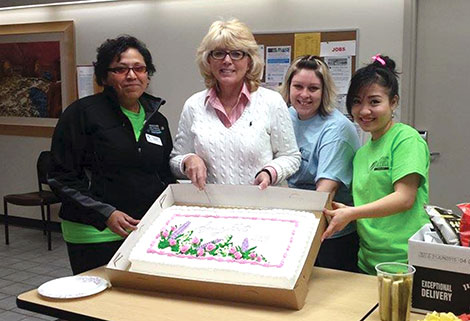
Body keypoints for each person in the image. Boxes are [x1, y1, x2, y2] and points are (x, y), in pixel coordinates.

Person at [48, 35, 175, 274]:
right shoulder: (81, 113)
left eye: (139, 68)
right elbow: (60, 177)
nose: (131, 75)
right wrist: (105, 213)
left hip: (142, 230)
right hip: (93, 232)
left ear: (148, 75)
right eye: (120, 69)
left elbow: (163, 174)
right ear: (105, 77)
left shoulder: (157, 120)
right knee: (98, 303)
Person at [321, 54, 430, 275]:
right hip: (367, 262)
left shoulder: (406, 139)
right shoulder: (361, 153)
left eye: (374, 102)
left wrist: (352, 213)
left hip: (406, 262)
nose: (364, 111)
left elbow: (405, 198)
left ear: (394, 102)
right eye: (357, 101)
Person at [170, 19, 300, 189]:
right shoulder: (193, 106)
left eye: (236, 53)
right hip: (212, 209)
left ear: (249, 62)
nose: (227, 60)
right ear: (208, 60)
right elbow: (175, 160)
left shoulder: (271, 102)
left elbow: (291, 157)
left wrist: (271, 172)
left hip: (263, 205)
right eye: (218, 53)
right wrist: (188, 160)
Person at [280, 55, 360, 272]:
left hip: (329, 235)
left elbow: (322, 196)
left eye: (313, 88)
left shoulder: (337, 129)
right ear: (288, 88)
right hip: (293, 223)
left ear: (324, 92)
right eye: (298, 86)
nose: (304, 95)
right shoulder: (285, 117)